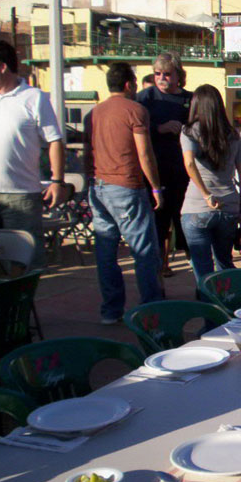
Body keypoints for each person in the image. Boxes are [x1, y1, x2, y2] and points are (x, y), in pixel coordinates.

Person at [84, 62, 163, 324]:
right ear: (129, 85)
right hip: (128, 186)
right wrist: (155, 186)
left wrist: (90, 183)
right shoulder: (135, 110)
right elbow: (145, 153)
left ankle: (111, 310)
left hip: (98, 186)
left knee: (106, 254)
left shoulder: (92, 114)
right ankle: (150, 309)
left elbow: (87, 153)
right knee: (143, 252)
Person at [0, 40, 67, 268]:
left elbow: (54, 141)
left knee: (23, 263)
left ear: (2, 67)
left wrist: (57, 181)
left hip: (21, 197)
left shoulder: (35, 98)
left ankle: (22, 303)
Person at [179, 85, 241, 282]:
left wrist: (205, 194)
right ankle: (229, 304)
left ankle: (208, 307)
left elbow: (189, 163)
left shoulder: (189, 132)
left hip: (197, 207)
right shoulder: (233, 135)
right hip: (229, 206)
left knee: (202, 268)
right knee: (224, 262)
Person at [136, 53, 192, 279]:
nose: (162, 78)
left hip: (184, 173)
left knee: (187, 228)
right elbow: (134, 131)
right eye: (158, 74)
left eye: (167, 74)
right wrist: (159, 128)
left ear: (179, 75)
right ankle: (157, 279)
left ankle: (200, 283)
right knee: (156, 229)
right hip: (154, 174)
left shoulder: (191, 99)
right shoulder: (145, 98)